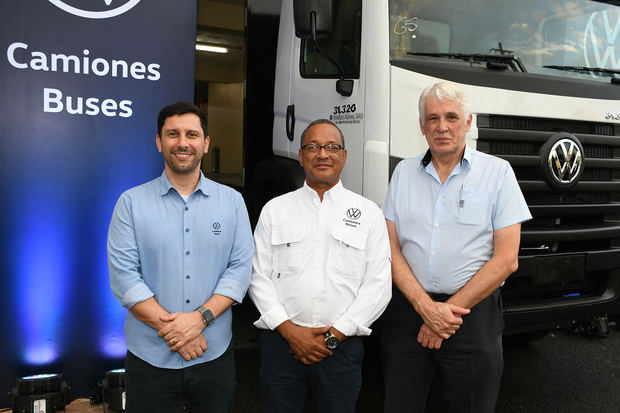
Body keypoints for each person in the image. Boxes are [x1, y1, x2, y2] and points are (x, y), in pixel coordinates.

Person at [381, 81, 532, 413]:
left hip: (472, 315)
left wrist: (444, 314)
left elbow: (507, 259)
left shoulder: (498, 173)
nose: (442, 126)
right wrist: (425, 307)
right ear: (422, 127)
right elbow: (389, 248)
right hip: (408, 312)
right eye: (432, 118)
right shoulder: (403, 173)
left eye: (451, 117)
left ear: (468, 122)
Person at [107, 101, 254, 413]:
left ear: (205, 143)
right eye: (172, 134)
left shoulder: (232, 202)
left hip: (213, 354)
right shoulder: (130, 203)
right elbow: (125, 278)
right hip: (149, 357)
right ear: (159, 142)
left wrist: (199, 320)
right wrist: (179, 332)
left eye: (192, 134)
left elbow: (240, 269)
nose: (183, 143)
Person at [249, 119, 392, 413]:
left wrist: (334, 336)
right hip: (281, 345)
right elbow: (257, 276)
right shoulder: (275, 209)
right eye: (312, 147)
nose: (322, 154)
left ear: (344, 156)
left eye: (331, 147)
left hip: (341, 348)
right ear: (301, 156)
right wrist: (290, 332)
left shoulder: (368, 213)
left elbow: (378, 285)